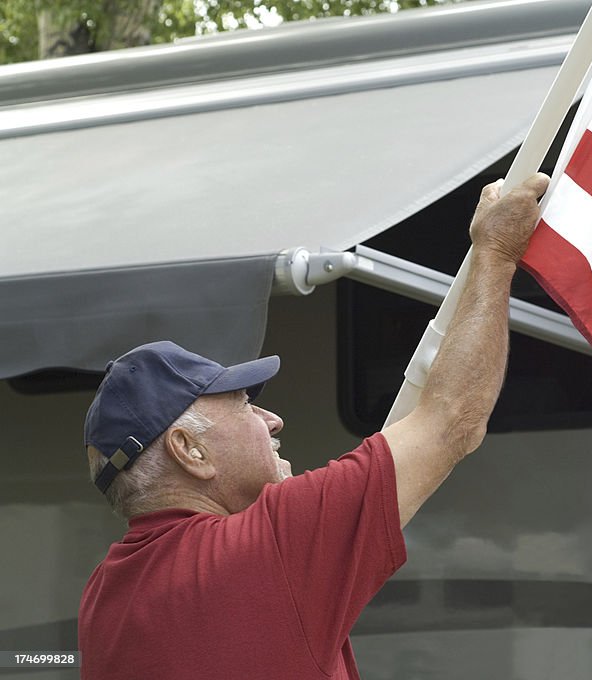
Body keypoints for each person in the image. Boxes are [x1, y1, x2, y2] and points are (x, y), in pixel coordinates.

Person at [78, 173, 550, 679]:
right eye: (242, 403)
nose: (272, 418)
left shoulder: (103, 596)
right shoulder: (269, 545)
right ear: (189, 450)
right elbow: (453, 417)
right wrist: (496, 252)